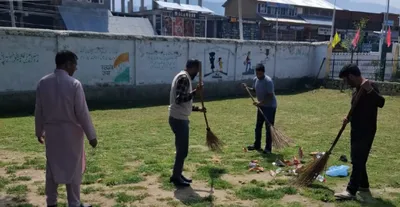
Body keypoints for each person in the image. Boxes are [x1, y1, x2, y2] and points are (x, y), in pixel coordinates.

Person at [35, 50, 98, 207]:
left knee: (52, 169)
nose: (75, 69)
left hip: (52, 134)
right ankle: (74, 203)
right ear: (68, 64)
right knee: (73, 169)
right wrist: (91, 136)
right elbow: (82, 112)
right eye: (74, 65)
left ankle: (52, 202)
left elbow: (39, 110)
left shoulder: (43, 83)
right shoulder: (74, 84)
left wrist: (39, 131)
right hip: (72, 134)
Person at [334, 63, 385, 200]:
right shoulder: (357, 90)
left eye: (346, 80)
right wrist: (348, 118)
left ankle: (351, 190)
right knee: (358, 159)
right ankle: (363, 184)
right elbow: (356, 108)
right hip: (356, 129)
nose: (346, 83)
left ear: (351, 76)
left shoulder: (370, 86)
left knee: (357, 160)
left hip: (366, 130)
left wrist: (369, 90)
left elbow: (381, 102)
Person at [168, 59, 206, 187]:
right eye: (197, 70)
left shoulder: (183, 77)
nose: (197, 73)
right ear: (193, 68)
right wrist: (196, 92)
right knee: (182, 150)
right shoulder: (184, 78)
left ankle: (177, 174)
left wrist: (198, 109)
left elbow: (185, 103)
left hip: (179, 117)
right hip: (179, 119)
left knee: (181, 149)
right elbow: (180, 99)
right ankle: (176, 177)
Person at [242, 63, 277, 154]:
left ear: (263, 72)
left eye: (260, 74)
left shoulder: (268, 81)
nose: (258, 75)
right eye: (257, 73)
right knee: (258, 126)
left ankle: (268, 149)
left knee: (268, 128)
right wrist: (247, 88)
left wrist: (259, 103)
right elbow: (255, 90)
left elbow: (270, 95)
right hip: (261, 106)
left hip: (270, 107)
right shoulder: (255, 79)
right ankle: (257, 145)